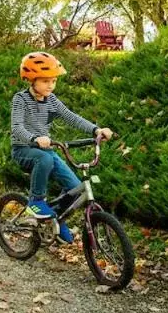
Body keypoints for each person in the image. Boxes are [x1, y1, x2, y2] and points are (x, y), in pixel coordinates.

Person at [10, 51, 113, 243]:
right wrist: (34, 138)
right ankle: (36, 201)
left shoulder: (52, 101)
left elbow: (71, 117)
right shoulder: (21, 99)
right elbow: (17, 128)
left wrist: (96, 130)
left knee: (76, 188)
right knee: (45, 158)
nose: (50, 85)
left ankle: (54, 218)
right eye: (45, 81)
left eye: (53, 81)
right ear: (31, 80)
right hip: (24, 150)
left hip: (46, 151)